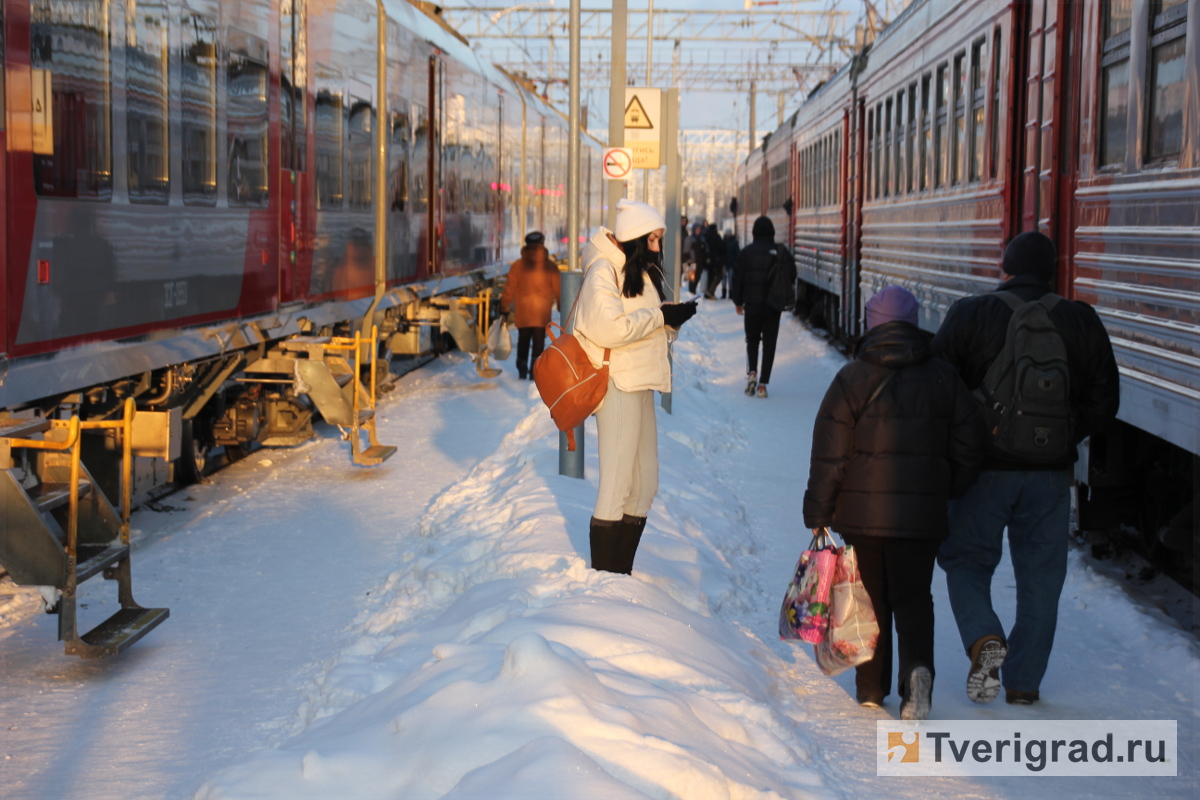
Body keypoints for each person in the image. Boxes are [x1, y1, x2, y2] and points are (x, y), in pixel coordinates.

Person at [933, 231, 1120, 706]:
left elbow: (939, 388)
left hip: (983, 472)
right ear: (1054, 270)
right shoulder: (1080, 320)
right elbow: (1106, 402)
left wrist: (966, 441)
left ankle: (983, 639)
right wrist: (1062, 435)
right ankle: (1022, 683)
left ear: (1006, 267)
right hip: (1051, 476)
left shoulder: (972, 313)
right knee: (1042, 578)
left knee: (967, 561)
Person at [803, 286, 984, 720]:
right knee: (915, 597)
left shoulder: (851, 378)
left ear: (872, 323)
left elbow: (830, 454)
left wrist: (819, 510)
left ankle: (870, 686)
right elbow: (970, 445)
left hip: (863, 519)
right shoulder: (944, 377)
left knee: (871, 597)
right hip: (921, 517)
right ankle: (917, 672)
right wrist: (946, 488)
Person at [574, 199, 698, 574]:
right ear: (634, 238)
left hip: (639, 382)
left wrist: (670, 320)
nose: (658, 248)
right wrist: (660, 316)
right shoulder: (602, 270)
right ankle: (606, 577)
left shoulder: (635, 270)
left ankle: (620, 571)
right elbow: (610, 328)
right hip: (616, 383)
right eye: (654, 239)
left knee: (644, 484)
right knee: (616, 483)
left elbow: (642, 323)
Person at [731, 215, 788, 398]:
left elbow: (737, 279)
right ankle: (763, 385)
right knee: (769, 344)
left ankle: (752, 373)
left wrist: (738, 301)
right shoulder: (780, 252)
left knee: (753, 340)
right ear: (772, 232)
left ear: (754, 232)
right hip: (773, 305)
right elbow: (791, 275)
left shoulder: (746, 253)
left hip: (752, 305)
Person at [500, 231, 560, 379]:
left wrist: (504, 307)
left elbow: (509, 288)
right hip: (541, 313)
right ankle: (535, 371)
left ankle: (522, 368)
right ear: (542, 245)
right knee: (539, 342)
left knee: (523, 340)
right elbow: (559, 289)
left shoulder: (517, 266)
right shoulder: (550, 266)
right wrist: (562, 307)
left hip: (523, 312)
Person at [702, 223, 725, 300]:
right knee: (719, 275)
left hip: (708, 260)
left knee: (710, 276)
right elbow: (722, 248)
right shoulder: (716, 237)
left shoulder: (706, 236)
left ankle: (708, 292)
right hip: (716, 260)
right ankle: (710, 292)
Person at [721, 225, 740, 300]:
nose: (728, 235)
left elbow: (737, 253)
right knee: (728, 279)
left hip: (729, 263)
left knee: (727, 279)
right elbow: (737, 253)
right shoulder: (734, 242)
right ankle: (728, 294)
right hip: (728, 263)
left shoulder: (724, 241)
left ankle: (726, 294)